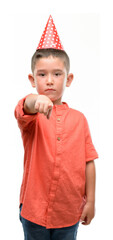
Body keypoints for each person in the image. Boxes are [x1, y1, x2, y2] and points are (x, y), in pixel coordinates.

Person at [14, 15, 99, 240]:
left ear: (68, 79)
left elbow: (88, 162)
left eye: (57, 74)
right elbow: (23, 108)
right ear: (33, 79)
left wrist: (90, 201)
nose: (49, 80)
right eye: (42, 75)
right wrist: (34, 100)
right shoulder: (32, 117)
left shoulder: (80, 119)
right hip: (34, 211)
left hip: (69, 211)